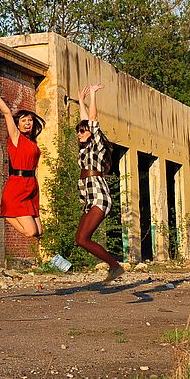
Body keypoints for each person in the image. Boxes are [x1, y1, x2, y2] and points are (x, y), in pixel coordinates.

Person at [0, 73, 45, 239]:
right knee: (30, 231)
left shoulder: (32, 142)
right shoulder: (16, 137)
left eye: (30, 120)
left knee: (39, 232)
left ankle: (1, 209)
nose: (28, 123)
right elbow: (7, 113)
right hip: (17, 184)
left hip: (31, 186)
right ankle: (0, 211)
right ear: (18, 124)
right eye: (24, 120)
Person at [76, 84, 125, 282]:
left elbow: (92, 121)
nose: (78, 133)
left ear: (91, 134)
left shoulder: (98, 146)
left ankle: (115, 266)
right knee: (80, 240)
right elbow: (86, 121)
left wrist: (93, 96)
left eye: (82, 131)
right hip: (89, 199)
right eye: (77, 131)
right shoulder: (84, 149)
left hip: (99, 197)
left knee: (84, 238)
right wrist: (80, 101)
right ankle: (114, 266)